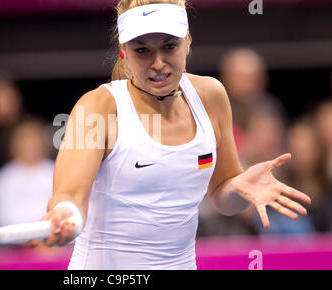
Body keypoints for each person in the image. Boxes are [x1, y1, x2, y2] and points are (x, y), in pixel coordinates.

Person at [35, 0, 311, 270]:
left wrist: (240, 189)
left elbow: (221, 193)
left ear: (188, 40)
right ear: (124, 50)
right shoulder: (97, 107)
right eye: (142, 50)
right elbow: (70, 194)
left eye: (169, 46)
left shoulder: (211, 96)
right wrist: (65, 215)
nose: (158, 63)